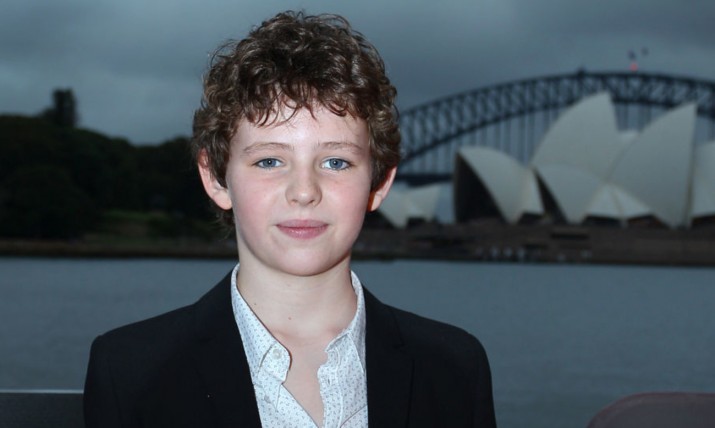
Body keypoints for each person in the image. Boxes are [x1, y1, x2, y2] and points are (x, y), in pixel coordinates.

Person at [83, 10, 496, 428]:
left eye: (336, 162)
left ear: (380, 183)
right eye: (269, 161)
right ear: (216, 179)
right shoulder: (129, 373)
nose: (304, 191)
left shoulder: (456, 370)